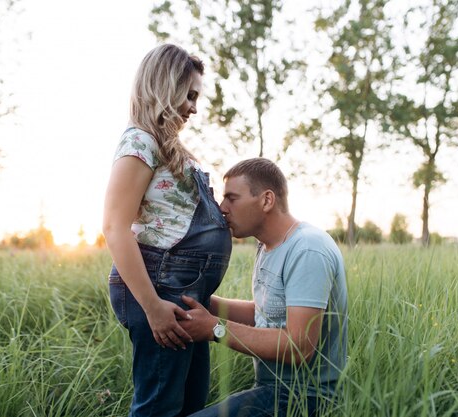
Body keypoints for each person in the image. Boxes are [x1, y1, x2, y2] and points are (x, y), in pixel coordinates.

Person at [102, 44, 232, 417]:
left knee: (190, 404)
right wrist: (153, 307)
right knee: (159, 407)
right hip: (158, 291)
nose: (194, 107)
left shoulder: (167, 146)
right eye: (189, 95)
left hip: (183, 293)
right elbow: (114, 226)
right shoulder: (139, 142)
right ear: (165, 86)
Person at [179, 158, 348, 417]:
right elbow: (265, 313)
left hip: (306, 397)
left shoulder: (307, 249)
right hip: (272, 389)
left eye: (232, 199)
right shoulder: (268, 246)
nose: (222, 207)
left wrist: (214, 328)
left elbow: (298, 346)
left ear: (266, 200)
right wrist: (204, 302)